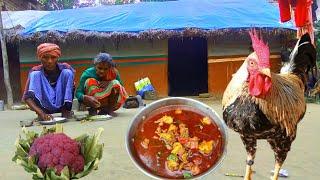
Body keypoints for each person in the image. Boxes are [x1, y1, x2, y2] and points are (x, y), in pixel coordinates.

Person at [22, 43, 75, 121]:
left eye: (53, 57)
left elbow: (71, 89)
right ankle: (43, 112)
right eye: (45, 58)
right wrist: (40, 112)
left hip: (62, 106)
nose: (49, 61)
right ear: (40, 58)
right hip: (43, 108)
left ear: (58, 58)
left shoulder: (66, 68)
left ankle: (66, 110)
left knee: (67, 73)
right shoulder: (35, 71)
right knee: (35, 74)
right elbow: (27, 97)